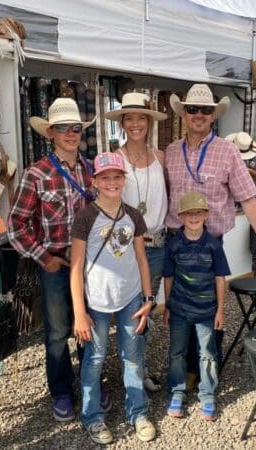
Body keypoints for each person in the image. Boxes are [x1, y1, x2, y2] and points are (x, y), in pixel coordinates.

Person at [164, 84, 256, 382]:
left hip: (211, 242)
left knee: (210, 307)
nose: (198, 115)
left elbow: (248, 198)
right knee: (180, 306)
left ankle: (206, 372)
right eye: (192, 109)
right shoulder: (171, 152)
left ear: (213, 116)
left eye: (205, 110)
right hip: (176, 239)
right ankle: (186, 369)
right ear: (184, 114)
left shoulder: (227, 151)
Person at [8, 97, 110, 422]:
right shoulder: (36, 173)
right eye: (63, 127)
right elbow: (15, 225)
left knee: (90, 326)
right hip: (56, 264)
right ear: (50, 132)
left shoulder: (94, 170)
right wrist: (43, 258)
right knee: (57, 332)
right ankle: (62, 390)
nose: (70, 133)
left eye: (76, 127)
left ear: (82, 132)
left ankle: (91, 384)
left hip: (92, 266)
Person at [71, 152, 156, 445]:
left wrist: (149, 298)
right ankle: (92, 417)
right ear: (95, 182)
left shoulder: (133, 215)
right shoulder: (85, 217)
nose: (111, 182)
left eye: (116, 177)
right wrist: (79, 312)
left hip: (131, 296)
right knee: (94, 359)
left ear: (124, 180)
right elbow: (76, 267)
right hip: (96, 300)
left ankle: (138, 412)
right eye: (104, 177)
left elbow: (142, 259)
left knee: (132, 356)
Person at [105, 92, 168, 392]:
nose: (135, 124)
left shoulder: (161, 158)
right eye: (128, 118)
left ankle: (136, 370)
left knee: (144, 311)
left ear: (149, 122)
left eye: (140, 117)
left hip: (157, 245)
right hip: (124, 247)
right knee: (126, 310)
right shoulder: (114, 159)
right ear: (122, 123)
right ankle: (131, 372)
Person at [163, 191, 230, 420]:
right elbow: (168, 278)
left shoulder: (213, 245)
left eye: (198, 213)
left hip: (206, 311)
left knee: (208, 353)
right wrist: (168, 306)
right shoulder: (173, 245)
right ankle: (177, 390)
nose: (193, 217)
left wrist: (220, 309)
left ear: (206, 215)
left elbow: (220, 278)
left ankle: (208, 393)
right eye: (189, 213)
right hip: (180, 309)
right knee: (177, 352)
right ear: (181, 217)